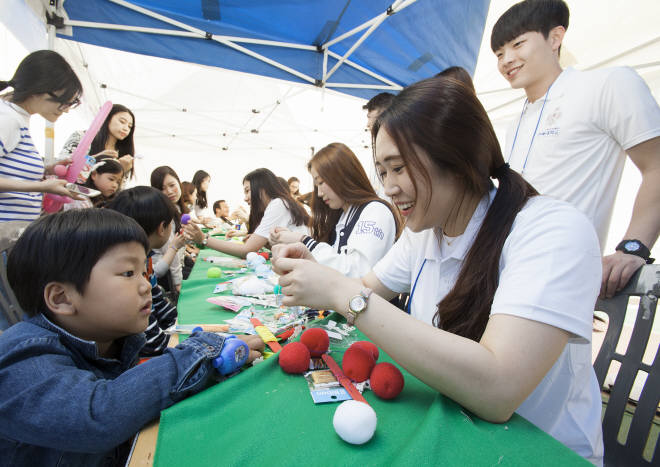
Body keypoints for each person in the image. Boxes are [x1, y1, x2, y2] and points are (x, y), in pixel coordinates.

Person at [271, 77, 604, 464]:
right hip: (457, 429)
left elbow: (499, 390)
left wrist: (341, 294)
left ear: (459, 159)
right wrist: (318, 274)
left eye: (398, 168)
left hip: (536, 451)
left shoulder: (552, 231)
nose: (389, 188)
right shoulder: (425, 233)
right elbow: (365, 287)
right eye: (383, 172)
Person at [0, 208, 263, 465]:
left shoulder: (109, 339)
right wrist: (201, 352)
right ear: (62, 298)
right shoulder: (22, 357)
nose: (146, 286)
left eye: (143, 271)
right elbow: (99, 417)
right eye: (128, 274)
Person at [491, 0, 660, 298]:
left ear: (555, 38)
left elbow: (656, 165)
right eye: (499, 53)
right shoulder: (518, 122)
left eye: (518, 44)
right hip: (508, 276)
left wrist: (634, 247)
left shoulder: (606, 84)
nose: (507, 60)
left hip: (562, 282)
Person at [0, 50, 83, 246]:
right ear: (39, 89)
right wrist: (39, 186)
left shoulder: (13, 115)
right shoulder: (0, 116)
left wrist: (46, 168)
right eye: (65, 101)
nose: (67, 109)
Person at [270, 142, 401, 278]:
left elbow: (358, 272)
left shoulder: (375, 211)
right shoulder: (343, 215)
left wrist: (303, 241)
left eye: (321, 183)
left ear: (342, 175)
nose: (319, 193)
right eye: (316, 185)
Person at [106, 186, 196, 355]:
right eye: (170, 224)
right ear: (162, 228)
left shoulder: (145, 260)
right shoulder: (136, 266)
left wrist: (181, 321)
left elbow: (158, 302)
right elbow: (151, 342)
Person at [206, 168, 309, 258]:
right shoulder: (280, 203)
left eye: (247, 191)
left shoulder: (278, 204)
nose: (245, 198)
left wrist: (204, 239)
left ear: (262, 189)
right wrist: (262, 241)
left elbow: (247, 250)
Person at [150, 166, 198, 293]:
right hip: (165, 276)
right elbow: (172, 250)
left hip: (174, 267)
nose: (169, 191)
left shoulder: (176, 209)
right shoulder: (163, 215)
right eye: (162, 188)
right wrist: (178, 282)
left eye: (172, 185)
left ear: (179, 183)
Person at [59, 103, 136, 182]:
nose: (126, 128)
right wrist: (96, 158)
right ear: (107, 118)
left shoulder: (124, 154)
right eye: (122, 122)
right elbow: (64, 166)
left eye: (130, 126)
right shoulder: (81, 136)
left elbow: (117, 190)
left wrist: (122, 170)